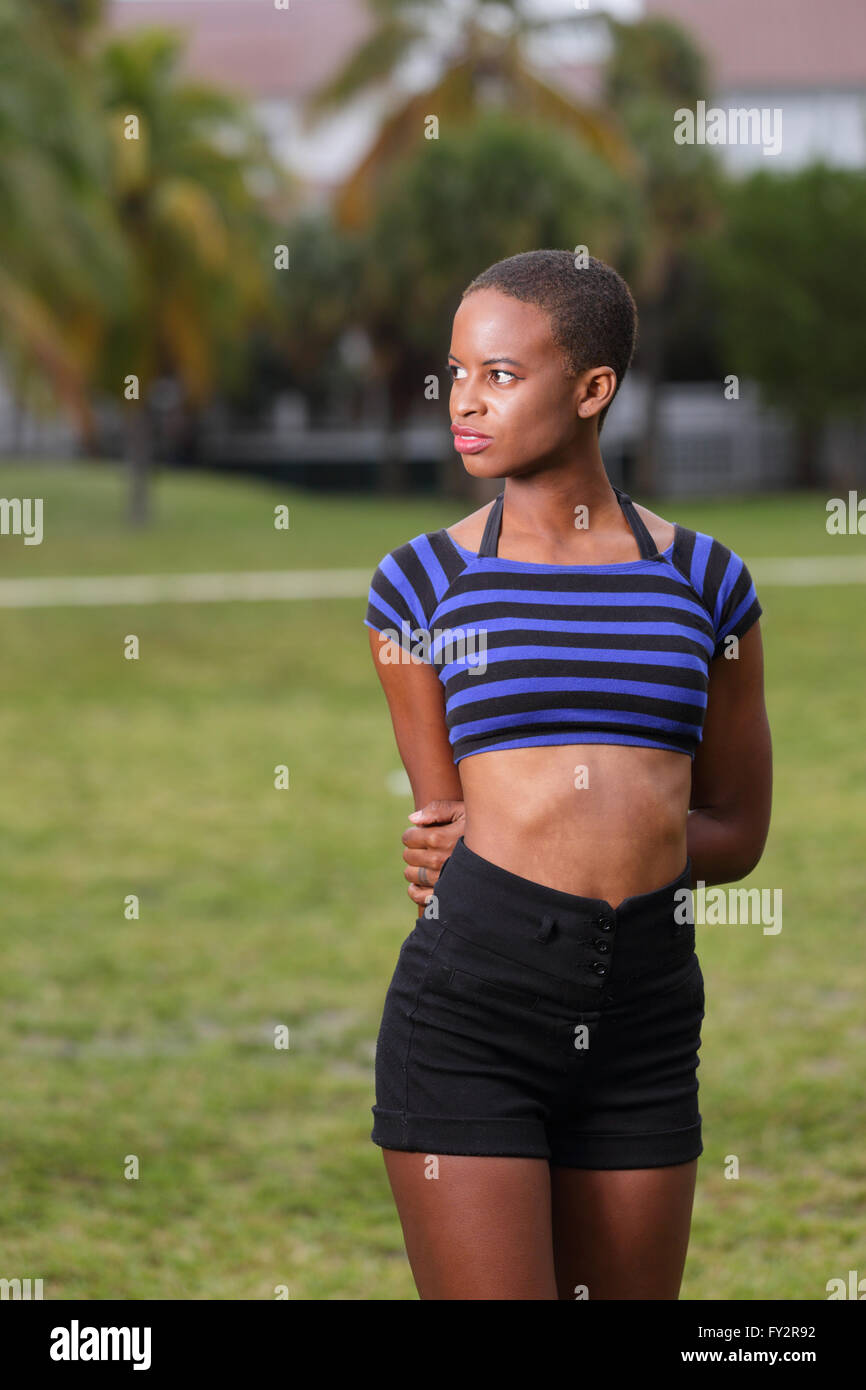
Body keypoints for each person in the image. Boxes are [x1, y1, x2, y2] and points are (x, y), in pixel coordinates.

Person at [363, 249, 772, 1300]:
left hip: (647, 1015)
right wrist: (467, 846)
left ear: (592, 389)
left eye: (500, 375)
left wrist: (626, 842)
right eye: (456, 373)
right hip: (474, 1012)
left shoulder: (707, 582)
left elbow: (736, 828)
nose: (464, 401)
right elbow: (443, 826)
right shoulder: (418, 587)